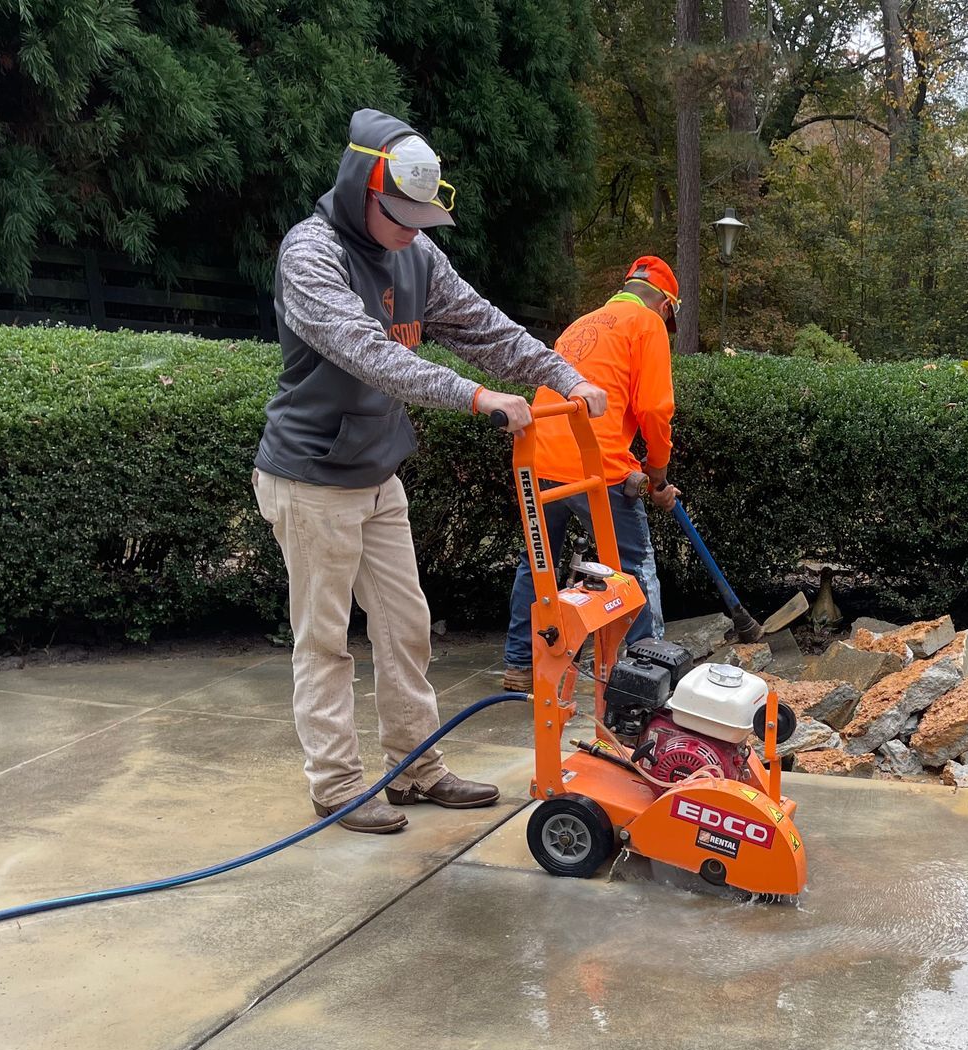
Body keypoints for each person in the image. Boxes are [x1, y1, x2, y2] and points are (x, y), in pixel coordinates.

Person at [253, 108, 607, 835]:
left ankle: (417, 767)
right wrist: (473, 397)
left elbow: (483, 327)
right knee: (324, 640)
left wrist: (562, 376)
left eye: (423, 218)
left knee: (406, 625)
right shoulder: (310, 254)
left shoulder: (418, 256)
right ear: (361, 190)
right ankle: (339, 787)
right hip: (311, 477)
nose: (413, 232)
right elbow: (368, 351)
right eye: (401, 216)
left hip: (377, 473)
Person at [500, 256, 683, 692]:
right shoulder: (647, 324)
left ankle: (521, 665)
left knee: (538, 562)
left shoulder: (584, 323)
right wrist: (657, 475)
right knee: (635, 566)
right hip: (594, 466)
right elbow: (655, 408)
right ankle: (646, 674)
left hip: (539, 457)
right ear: (665, 305)